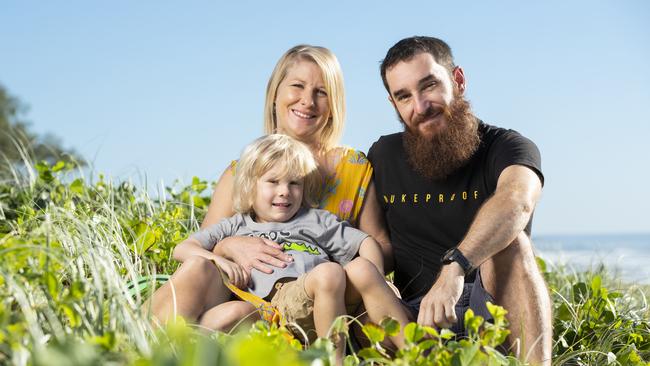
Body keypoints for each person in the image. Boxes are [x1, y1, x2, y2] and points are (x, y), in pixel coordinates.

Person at [149, 45, 392, 335]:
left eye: (322, 92)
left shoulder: (353, 167)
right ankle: (139, 341)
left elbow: (379, 245)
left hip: (321, 297)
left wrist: (336, 268)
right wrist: (228, 246)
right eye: (297, 86)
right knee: (199, 272)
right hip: (246, 295)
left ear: (334, 104)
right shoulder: (241, 172)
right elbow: (201, 246)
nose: (307, 101)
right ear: (275, 93)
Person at [367, 36, 552, 364]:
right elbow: (375, 242)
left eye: (429, 86)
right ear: (393, 104)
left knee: (514, 243)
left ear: (458, 80)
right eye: (404, 96)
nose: (420, 106)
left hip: (493, 313)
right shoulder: (383, 156)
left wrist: (455, 268)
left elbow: (517, 200)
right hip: (414, 324)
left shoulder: (508, 146)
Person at [180, 134, 408, 361]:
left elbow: (366, 242)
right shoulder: (236, 225)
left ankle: (414, 350)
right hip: (276, 308)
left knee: (363, 269)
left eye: (294, 183)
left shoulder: (315, 220)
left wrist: (380, 278)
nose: (284, 191)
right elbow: (183, 248)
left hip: (328, 298)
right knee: (329, 273)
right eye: (272, 181)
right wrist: (218, 258)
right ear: (250, 187)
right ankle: (334, 360)